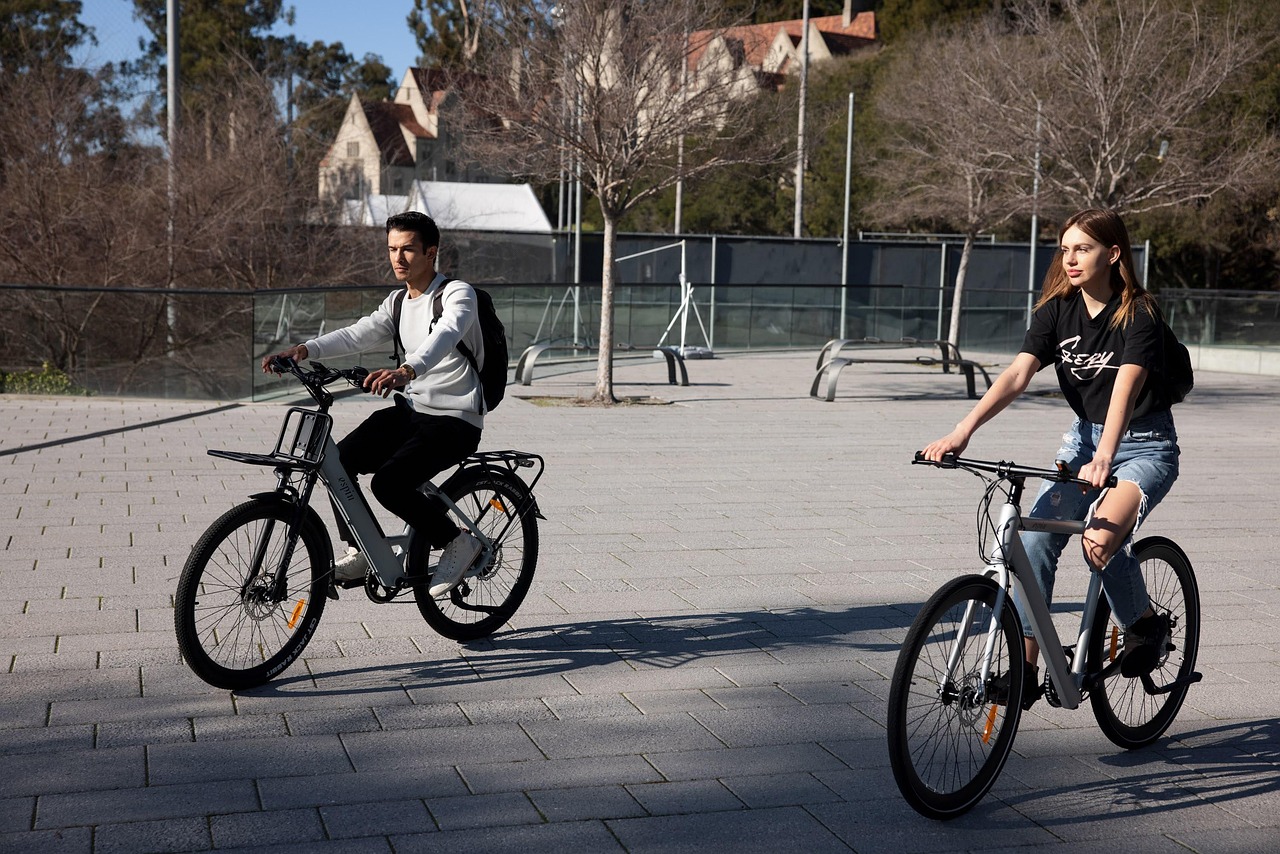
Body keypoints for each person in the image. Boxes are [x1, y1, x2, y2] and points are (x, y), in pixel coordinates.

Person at [921, 208, 1179, 709]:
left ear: (1113, 253)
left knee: (1099, 543)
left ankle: (1144, 625)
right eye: (1065, 249)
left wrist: (1106, 455)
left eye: (1082, 248)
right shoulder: (1056, 311)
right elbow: (1017, 375)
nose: (1071, 258)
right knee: (1034, 541)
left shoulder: (1139, 311)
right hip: (1083, 443)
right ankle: (1026, 668)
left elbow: (1127, 382)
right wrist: (962, 430)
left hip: (1144, 444)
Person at [261, 211, 485, 598]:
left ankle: (458, 541)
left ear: (431, 252)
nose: (398, 258)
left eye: (408, 250)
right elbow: (358, 333)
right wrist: (304, 349)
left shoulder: (456, 294)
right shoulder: (397, 302)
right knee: (339, 462)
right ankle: (360, 549)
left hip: (455, 419)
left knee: (389, 484)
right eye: (392, 249)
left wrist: (407, 370)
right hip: (414, 412)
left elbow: (447, 333)